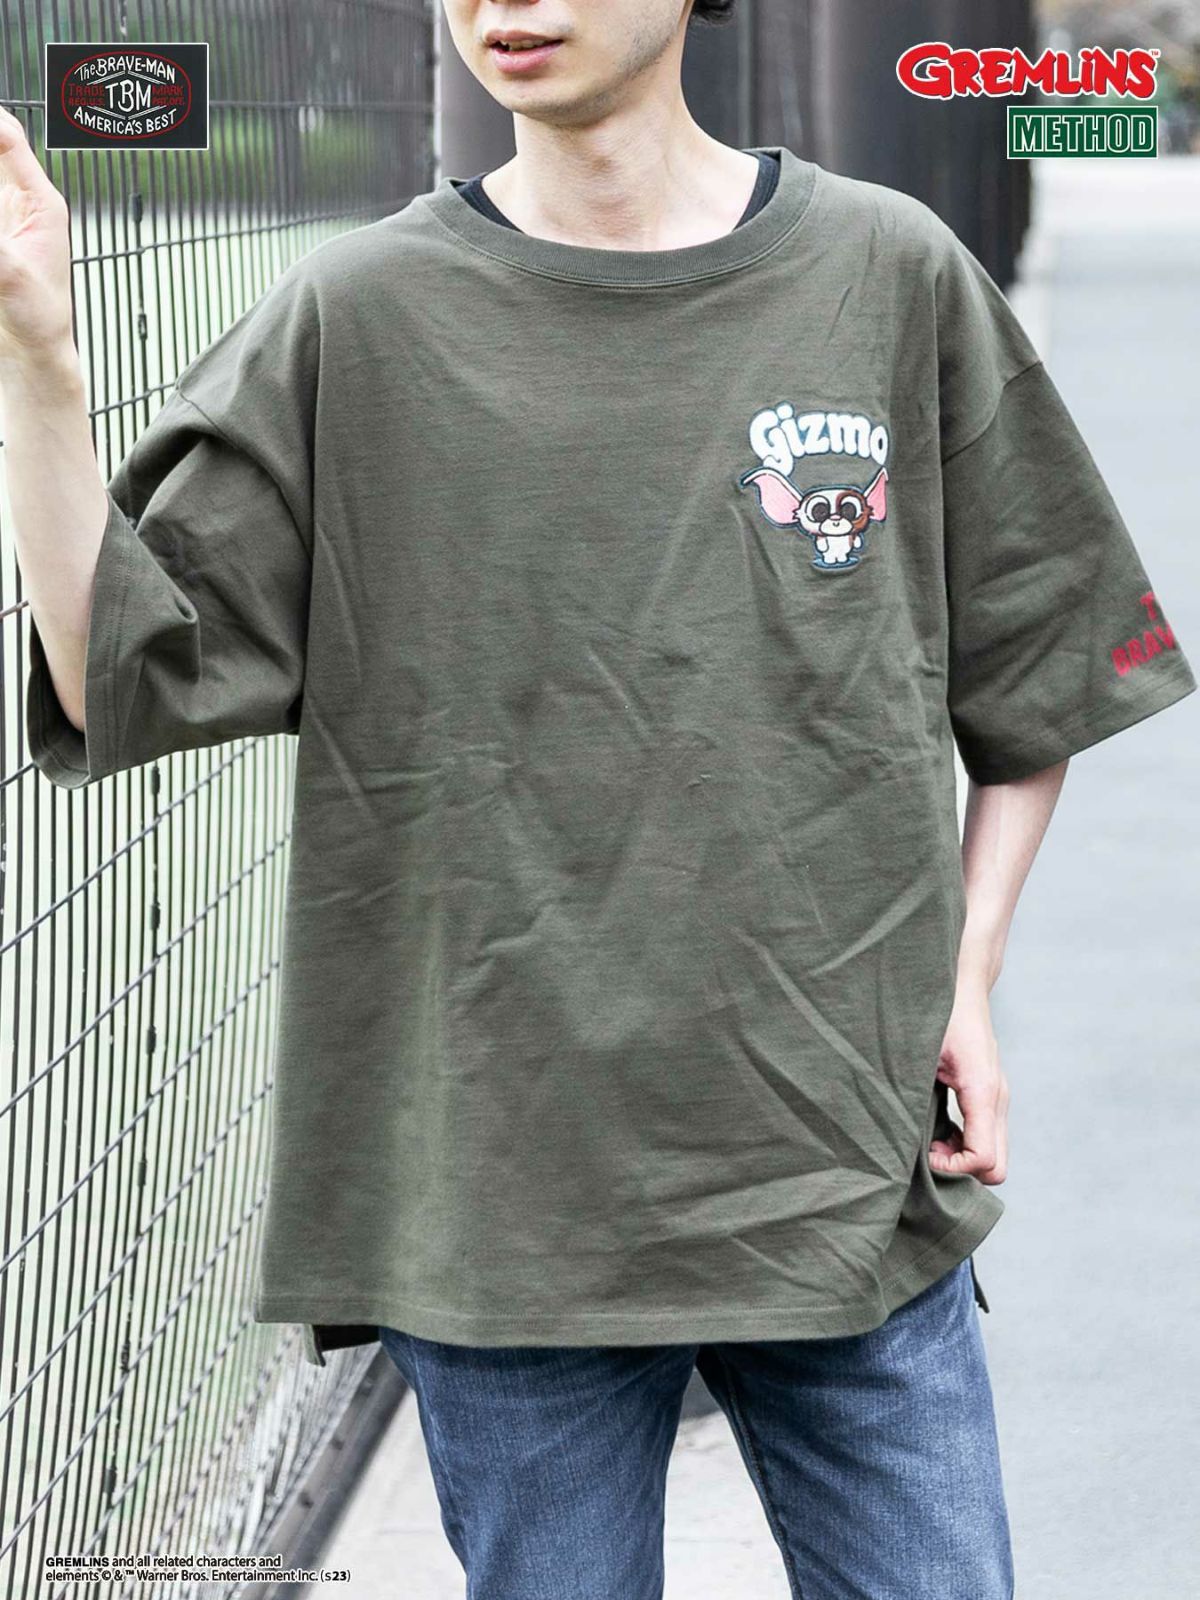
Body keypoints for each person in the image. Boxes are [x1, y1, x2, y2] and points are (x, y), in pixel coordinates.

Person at [3, 1, 1194, 1595]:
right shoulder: (357, 317)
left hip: (842, 1167)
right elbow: (119, 676)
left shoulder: (888, 272)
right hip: (496, 1208)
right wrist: (38, 359)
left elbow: (1040, 655)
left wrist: (967, 977)